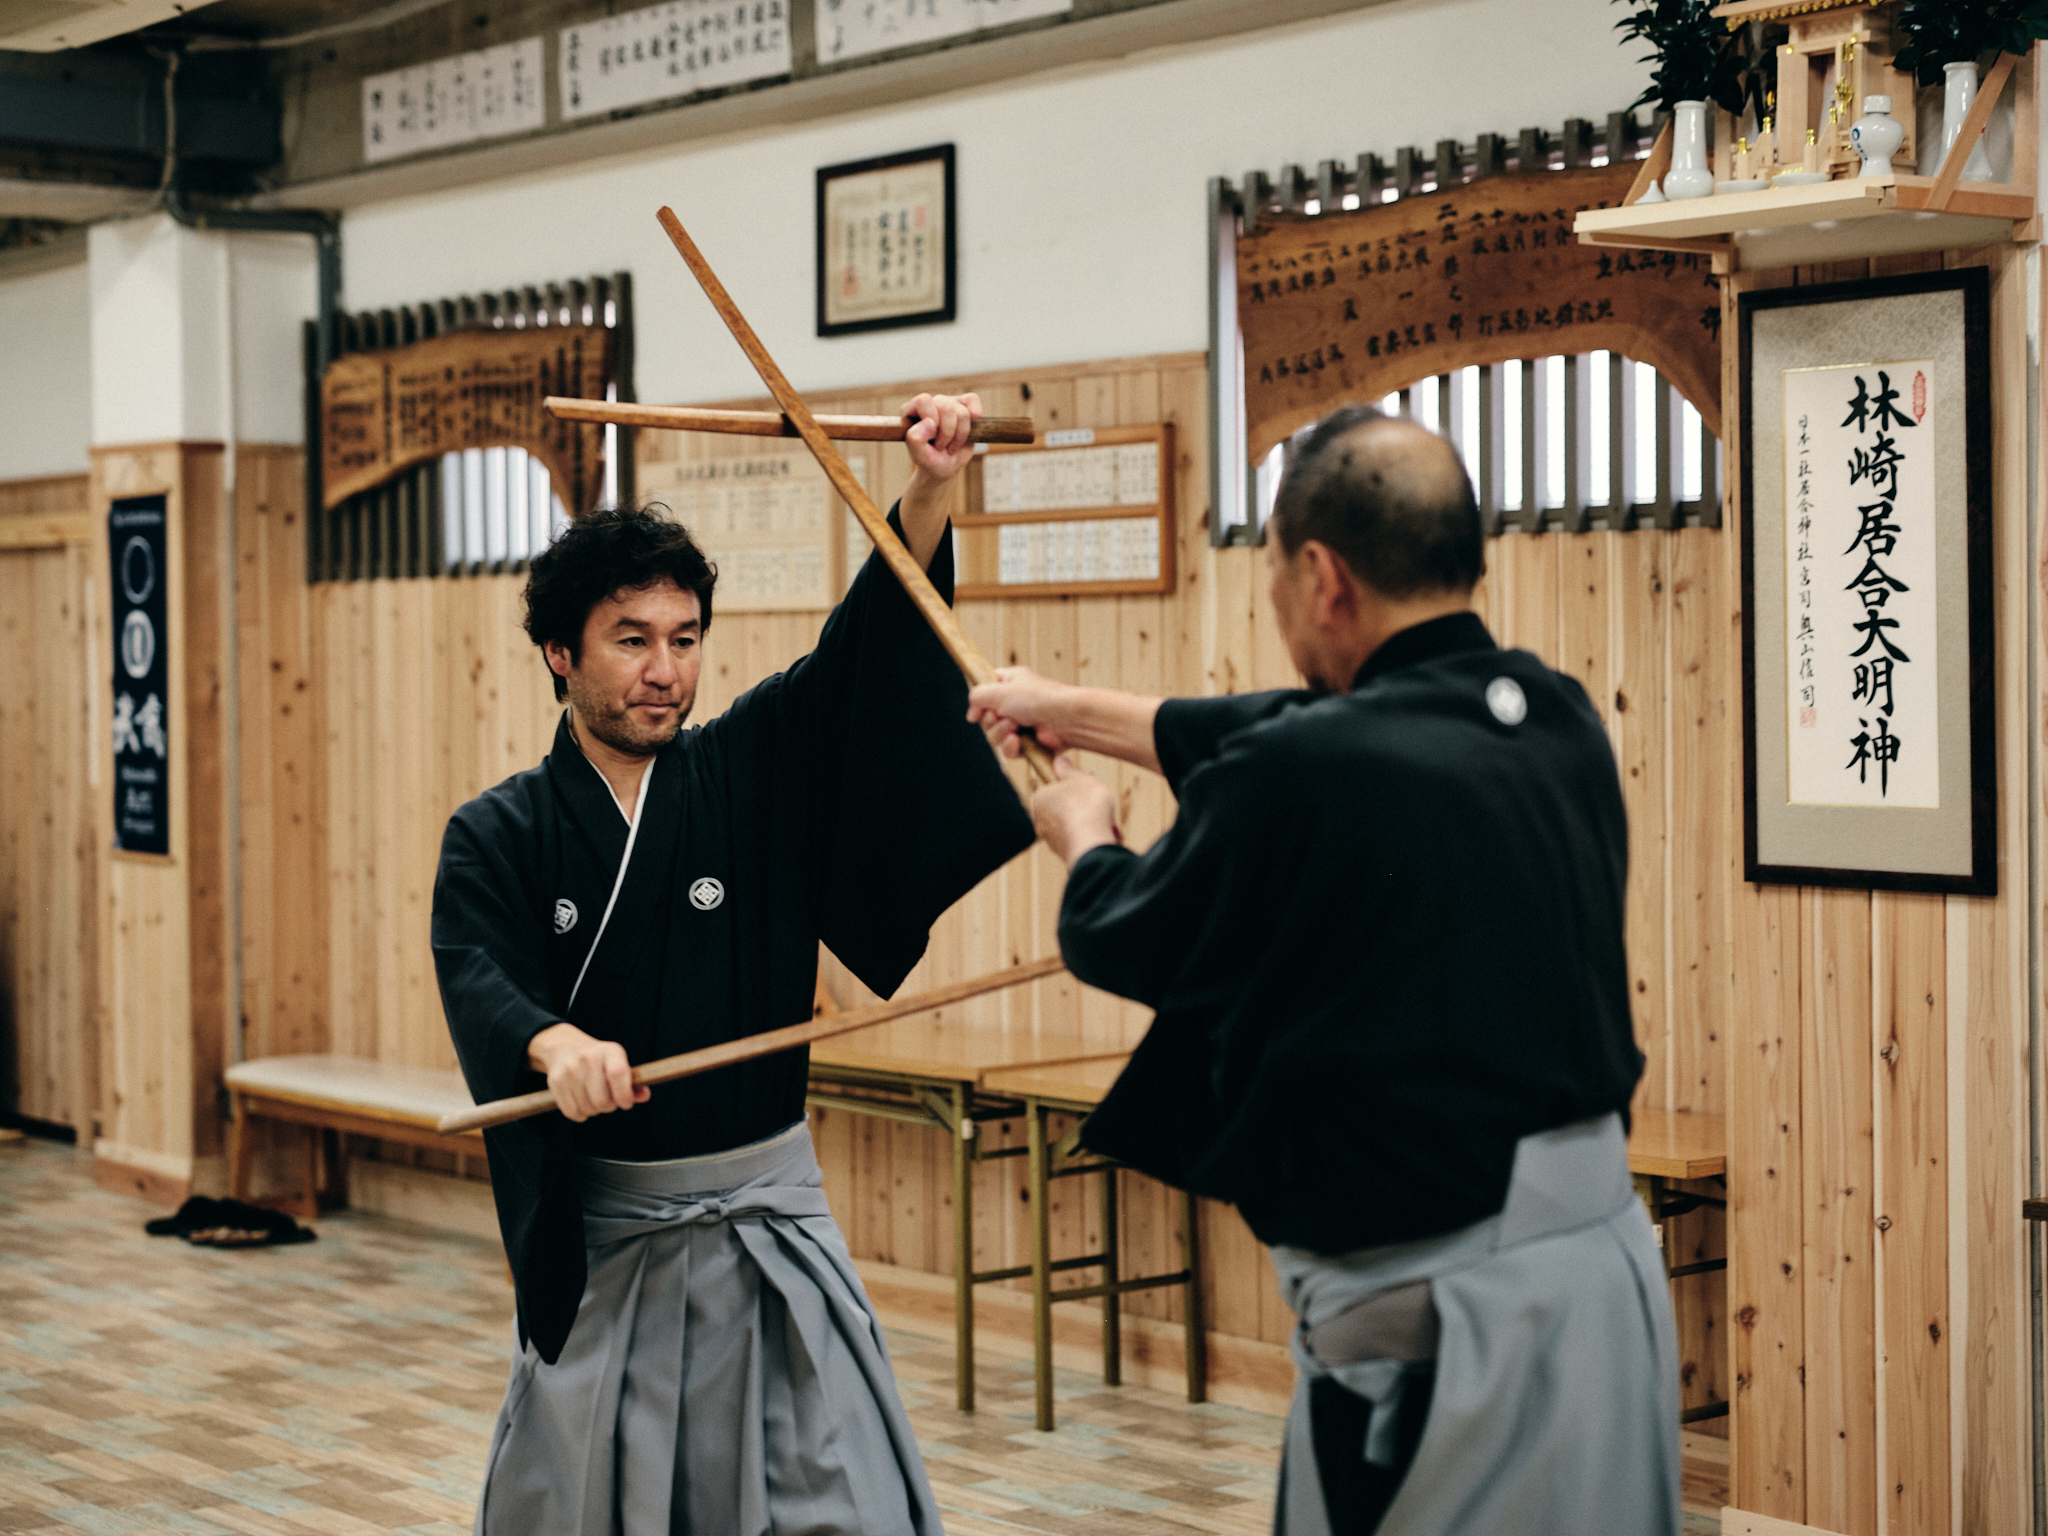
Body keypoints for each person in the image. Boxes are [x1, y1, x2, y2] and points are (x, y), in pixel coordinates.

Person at [967, 406, 1679, 1536]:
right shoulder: (1549, 712)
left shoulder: (1308, 770)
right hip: (1600, 1269)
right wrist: (1067, 711)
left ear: (1320, 575)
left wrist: (1083, 830)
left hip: (1452, 1315)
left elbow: (1121, 931)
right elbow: (1287, 726)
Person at [432, 392, 1033, 1536]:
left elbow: (865, 660)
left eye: (685, 639)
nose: (665, 672)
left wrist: (929, 490)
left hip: (770, 1224)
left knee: (832, 1504)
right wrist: (553, 1043)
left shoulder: (750, 765)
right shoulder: (499, 832)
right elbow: (476, 965)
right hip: (614, 1242)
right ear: (558, 653)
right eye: (630, 640)